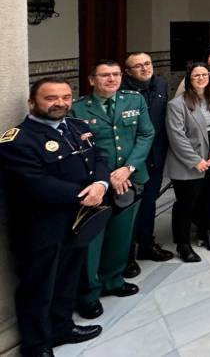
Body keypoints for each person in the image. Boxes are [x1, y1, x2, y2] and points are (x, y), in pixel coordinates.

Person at [0, 78, 107, 356]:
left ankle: (62, 327)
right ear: (32, 103)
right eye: (51, 98)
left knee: (68, 277)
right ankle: (36, 345)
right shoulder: (17, 139)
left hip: (77, 221)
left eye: (66, 97)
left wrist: (102, 185)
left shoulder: (78, 127)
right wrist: (86, 193)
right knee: (38, 286)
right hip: (40, 227)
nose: (60, 103)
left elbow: (100, 158)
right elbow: (34, 183)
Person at [70, 59, 152, 320]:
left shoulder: (134, 100)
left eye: (116, 74)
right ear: (92, 79)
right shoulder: (78, 109)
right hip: (96, 185)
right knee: (92, 241)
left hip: (130, 179)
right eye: (105, 75)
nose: (112, 79)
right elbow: (78, 150)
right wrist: (105, 178)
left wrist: (128, 168)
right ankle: (89, 294)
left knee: (121, 235)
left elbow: (146, 135)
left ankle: (113, 280)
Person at [165, 63, 210, 262]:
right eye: (196, 76)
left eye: (204, 75)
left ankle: (206, 233)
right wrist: (195, 161)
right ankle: (183, 244)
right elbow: (177, 136)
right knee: (186, 204)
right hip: (189, 163)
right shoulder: (176, 105)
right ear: (189, 79)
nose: (201, 78)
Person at [122, 52, 173, 273]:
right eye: (138, 66)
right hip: (131, 160)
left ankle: (146, 244)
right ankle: (125, 255)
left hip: (156, 156)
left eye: (147, 64)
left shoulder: (160, 84)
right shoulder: (122, 92)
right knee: (128, 207)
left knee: (149, 202)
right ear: (128, 72)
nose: (145, 69)